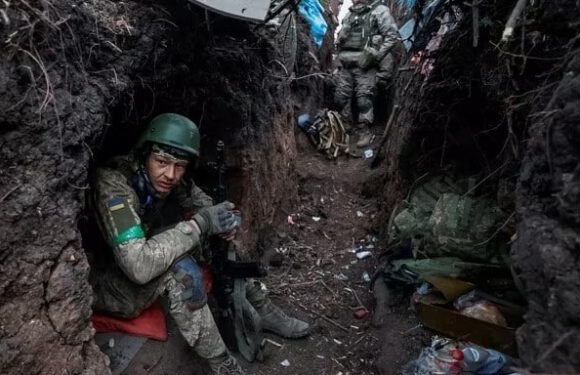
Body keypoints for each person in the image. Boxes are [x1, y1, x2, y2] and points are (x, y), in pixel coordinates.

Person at [88, 113, 310, 374]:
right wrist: (200, 224)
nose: (170, 174)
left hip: (137, 255)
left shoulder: (170, 177)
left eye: (180, 166)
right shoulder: (113, 186)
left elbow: (207, 207)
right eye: (162, 162)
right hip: (104, 281)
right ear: (144, 154)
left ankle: (264, 309)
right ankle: (222, 363)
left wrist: (226, 220)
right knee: (182, 272)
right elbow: (138, 265)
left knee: (208, 237)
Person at [333, 0, 398, 147]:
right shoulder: (349, 14)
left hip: (366, 65)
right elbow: (341, 38)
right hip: (346, 64)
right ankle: (345, 125)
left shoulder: (379, 10)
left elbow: (392, 36)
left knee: (364, 99)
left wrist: (377, 55)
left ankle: (364, 131)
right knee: (340, 98)